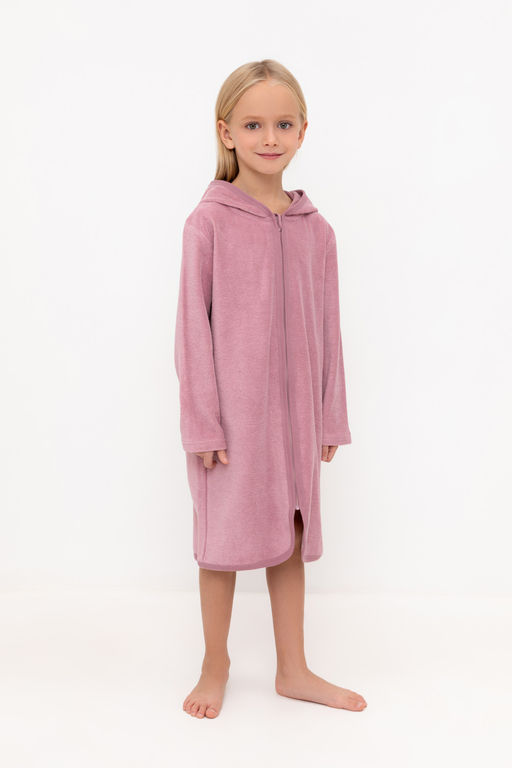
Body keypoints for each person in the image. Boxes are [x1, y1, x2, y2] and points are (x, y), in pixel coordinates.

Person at [174, 59, 367, 718]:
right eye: (253, 124)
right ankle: (215, 663)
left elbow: (328, 327)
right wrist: (203, 423)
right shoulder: (208, 224)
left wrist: (330, 417)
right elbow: (190, 332)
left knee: (290, 534)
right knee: (222, 543)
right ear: (226, 132)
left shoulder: (318, 231)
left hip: (295, 421)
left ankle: (294, 669)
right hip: (230, 422)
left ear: (303, 131)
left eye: (283, 124)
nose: (269, 137)